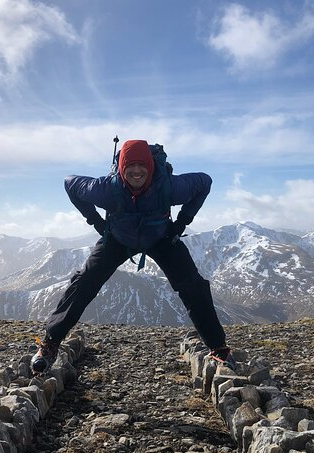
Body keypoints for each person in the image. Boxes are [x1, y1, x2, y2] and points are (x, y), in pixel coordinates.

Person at [31, 139, 235, 374]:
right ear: (121, 167)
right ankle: (50, 343)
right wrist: (96, 222)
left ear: (150, 166)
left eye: (142, 166)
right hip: (117, 238)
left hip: (160, 237)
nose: (137, 171)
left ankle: (218, 347)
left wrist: (180, 224)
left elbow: (204, 182)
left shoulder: (168, 186)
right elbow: (70, 184)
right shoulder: (106, 189)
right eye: (130, 166)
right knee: (85, 281)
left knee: (193, 285)